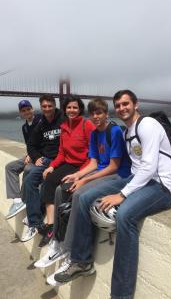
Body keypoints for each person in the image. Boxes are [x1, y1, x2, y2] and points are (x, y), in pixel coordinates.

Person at [54, 90, 171, 299]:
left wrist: (122, 195)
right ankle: (81, 261)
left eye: (126, 104)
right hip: (137, 180)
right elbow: (137, 169)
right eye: (118, 105)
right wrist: (85, 178)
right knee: (83, 198)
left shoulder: (147, 125)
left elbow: (149, 166)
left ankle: (120, 294)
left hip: (160, 186)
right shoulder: (128, 131)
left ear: (136, 105)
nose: (122, 108)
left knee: (125, 216)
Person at [34, 98, 131, 286]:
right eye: (93, 113)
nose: (96, 117)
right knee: (62, 188)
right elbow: (94, 163)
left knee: (79, 195)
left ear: (106, 114)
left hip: (118, 175)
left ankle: (73, 253)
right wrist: (77, 175)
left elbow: (113, 166)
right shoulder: (95, 134)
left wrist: (85, 179)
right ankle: (58, 242)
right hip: (100, 170)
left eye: (100, 113)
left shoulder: (115, 131)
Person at [38, 95, 95, 247]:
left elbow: (93, 154)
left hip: (84, 165)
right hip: (69, 164)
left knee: (64, 189)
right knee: (49, 180)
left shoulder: (87, 125)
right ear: (64, 110)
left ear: (80, 109)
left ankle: (63, 231)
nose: (72, 110)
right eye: (69, 107)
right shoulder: (64, 127)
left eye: (75, 107)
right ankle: (50, 225)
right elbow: (62, 154)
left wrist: (80, 174)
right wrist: (52, 166)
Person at [20, 95, 64, 242]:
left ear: (54, 105)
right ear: (41, 107)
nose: (47, 109)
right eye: (44, 106)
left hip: (60, 161)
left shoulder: (63, 120)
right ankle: (35, 223)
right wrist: (37, 156)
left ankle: (40, 219)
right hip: (45, 160)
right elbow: (31, 145)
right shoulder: (41, 124)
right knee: (29, 180)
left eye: (49, 106)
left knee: (47, 181)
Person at [5, 100, 41, 219]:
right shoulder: (25, 127)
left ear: (32, 109)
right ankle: (17, 200)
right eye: (23, 111)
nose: (26, 112)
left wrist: (32, 156)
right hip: (31, 155)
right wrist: (29, 155)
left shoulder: (41, 121)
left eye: (28, 109)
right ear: (20, 113)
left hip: (41, 155)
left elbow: (45, 143)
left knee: (28, 169)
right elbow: (29, 144)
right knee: (10, 167)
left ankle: (27, 201)